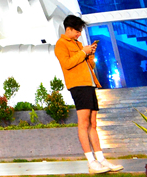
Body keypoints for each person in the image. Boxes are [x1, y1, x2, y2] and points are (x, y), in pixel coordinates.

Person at [55, 14, 123, 174]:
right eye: (77, 31)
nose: (79, 34)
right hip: (78, 86)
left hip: (90, 85)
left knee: (93, 124)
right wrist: (82, 52)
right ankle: (91, 161)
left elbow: (89, 66)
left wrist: (89, 55)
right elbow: (67, 64)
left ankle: (101, 159)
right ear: (69, 29)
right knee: (84, 123)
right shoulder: (61, 44)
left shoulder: (78, 44)